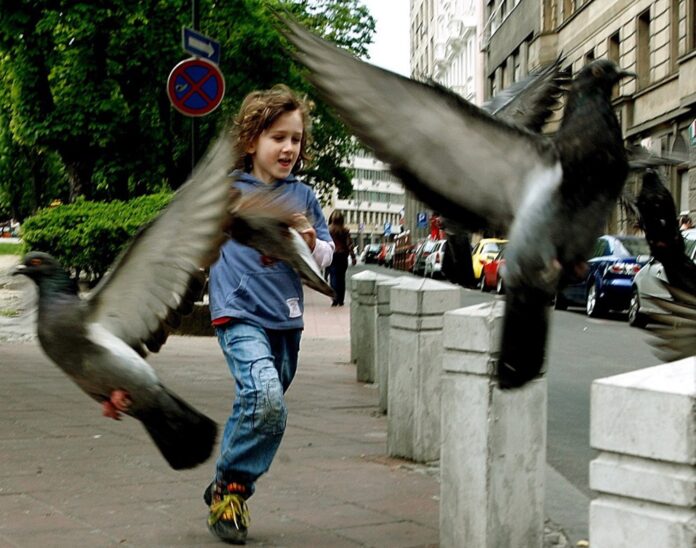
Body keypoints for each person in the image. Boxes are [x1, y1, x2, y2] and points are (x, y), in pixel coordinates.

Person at [205, 85, 334, 544]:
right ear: (250, 141)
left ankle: (227, 482)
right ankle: (232, 490)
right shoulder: (225, 191)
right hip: (237, 314)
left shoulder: (303, 196)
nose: (288, 148)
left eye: (296, 139)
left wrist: (314, 243)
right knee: (265, 398)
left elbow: (326, 257)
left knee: (263, 407)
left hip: (286, 318)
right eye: (278, 137)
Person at [327, 210, 356, 306]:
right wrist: (353, 257)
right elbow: (349, 245)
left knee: (333, 276)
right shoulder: (345, 230)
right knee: (341, 277)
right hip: (342, 256)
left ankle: (334, 298)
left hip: (332, 255)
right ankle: (341, 299)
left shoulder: (328, 230)